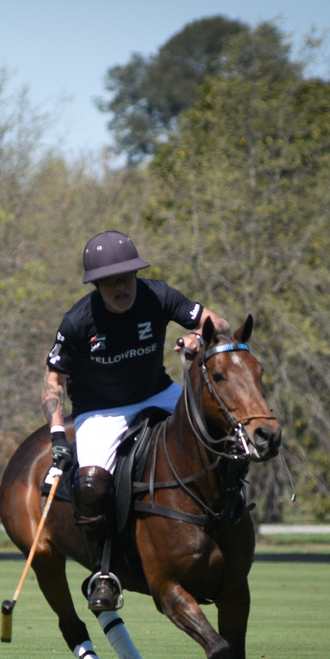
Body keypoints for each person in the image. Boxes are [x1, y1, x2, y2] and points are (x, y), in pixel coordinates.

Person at [43, 232, 229, 612]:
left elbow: (219, 324)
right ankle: (104, 573)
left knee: (220, 433)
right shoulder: (78, 321)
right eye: (111, 281)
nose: (121, 286)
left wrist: (196, 337)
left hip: (157, 392)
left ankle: (232, 525)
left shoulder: (158, 296)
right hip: (100, 411)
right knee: (92, 484)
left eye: (127, 277)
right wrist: (58, 432)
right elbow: (52, 381)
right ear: (96, 285)